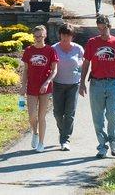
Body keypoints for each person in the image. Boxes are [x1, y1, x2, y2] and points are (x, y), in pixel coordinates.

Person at [79, 14, 115, 159]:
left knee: (112, 114)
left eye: (104, 28)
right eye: (99, 29)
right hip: (96, 83)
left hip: (113, 82)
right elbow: (86, 63)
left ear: (109, 26)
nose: (101, 31)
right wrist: (82, 82)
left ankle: (114, 142)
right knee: (98, 117)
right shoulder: (92, 43)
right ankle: (102, 146)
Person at [19, 25, 59, 153]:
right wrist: (23, 86)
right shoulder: (29, 50)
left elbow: (54, 70)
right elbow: (25, 70)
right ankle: (34, 133)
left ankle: (41, 143)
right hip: (31, 87)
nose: (38, 39)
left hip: (45, 88)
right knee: (32, 115)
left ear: (45, 36)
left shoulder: (50, 51)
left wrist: (47, 82)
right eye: (36, 36)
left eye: (40, 36)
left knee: (41, 116)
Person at [51, 23, 84, 151]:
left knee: (69, 113)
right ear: (60, 35)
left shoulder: (78, 49)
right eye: (63, 35)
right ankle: (63, 132)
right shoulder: (54, 48)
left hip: (73, 85)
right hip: (58, 84)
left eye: (68, 35)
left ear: (72, 36)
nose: (65, 38)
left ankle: (65, 139)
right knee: (58, 113)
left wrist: (79, 65)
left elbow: (84, 62)